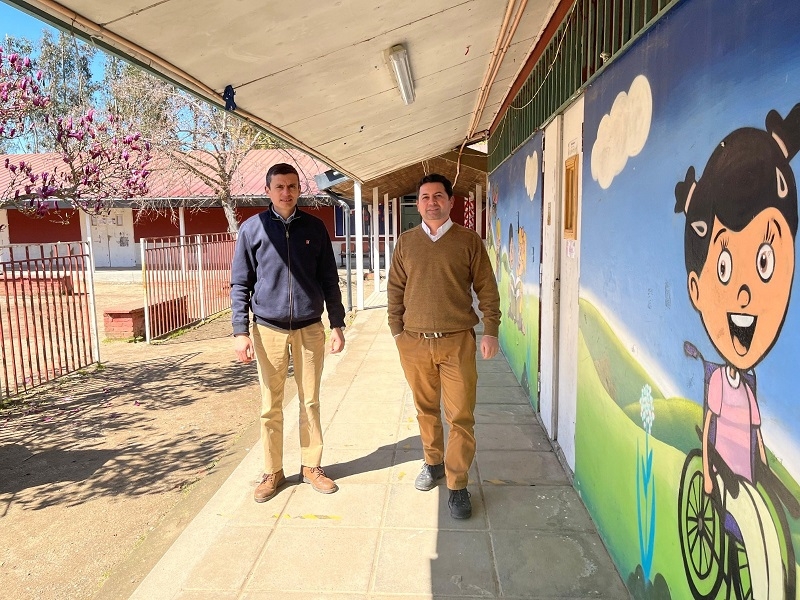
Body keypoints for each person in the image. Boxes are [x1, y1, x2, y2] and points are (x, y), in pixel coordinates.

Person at [387, 173, 501, 519]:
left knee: (461, 416)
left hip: (457, 343)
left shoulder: (469, 241)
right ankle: (433, 462)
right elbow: (395, 289)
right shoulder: (406, 243)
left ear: (451, 202)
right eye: (424, 197)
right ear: (418, 204)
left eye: (438, 196)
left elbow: (487, 288)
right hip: (415, 343)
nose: (431, 202)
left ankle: (458, 484)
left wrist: (491, 330)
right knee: (425, 409)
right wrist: (397, 331)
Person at [231, 162, 346, 503]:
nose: (286, 192)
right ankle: (273, 471)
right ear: (267, 190)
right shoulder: (252, 230)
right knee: (271, 405)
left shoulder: (315, 227)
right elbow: (240, 283)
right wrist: (241, 331)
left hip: (311, 327)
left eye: (292, 186)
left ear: (300, 189)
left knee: (310, 400)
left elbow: (329, 279)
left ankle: (311, 466)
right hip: (268, 330)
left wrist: (336, 323)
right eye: (279, 186)